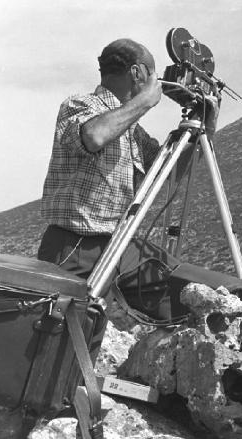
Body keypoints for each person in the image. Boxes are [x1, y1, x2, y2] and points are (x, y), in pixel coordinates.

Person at [37, 38, 219, 279]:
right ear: (137, 72)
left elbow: (170, 174)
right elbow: (94, 136)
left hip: (118, 244)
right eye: (152, 73)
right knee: (73, 315)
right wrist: (143, 102)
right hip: (76, 244)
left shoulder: (133, 130)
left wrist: (205, 129)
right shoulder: (80, 104)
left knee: (184, 285)